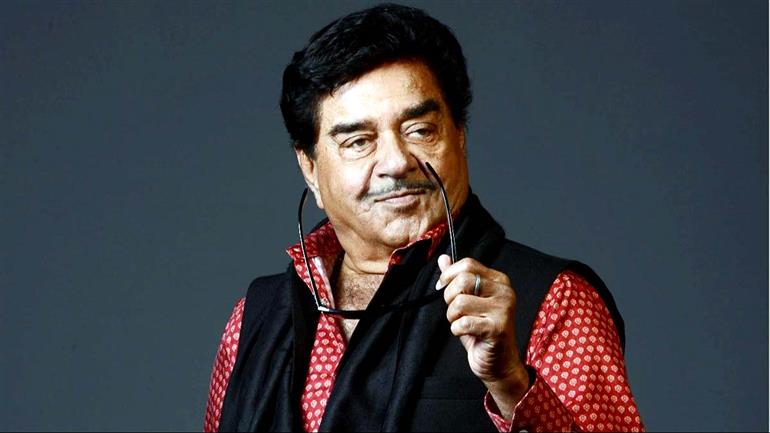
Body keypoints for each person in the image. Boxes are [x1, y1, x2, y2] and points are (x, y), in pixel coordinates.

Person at [204, 3, 643, 432]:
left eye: (420, 130)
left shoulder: (554, 300)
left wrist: (510, 382)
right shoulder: (253, 320)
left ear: (459, 137)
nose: (397, 161)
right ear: (310, 169)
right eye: (358, 141)